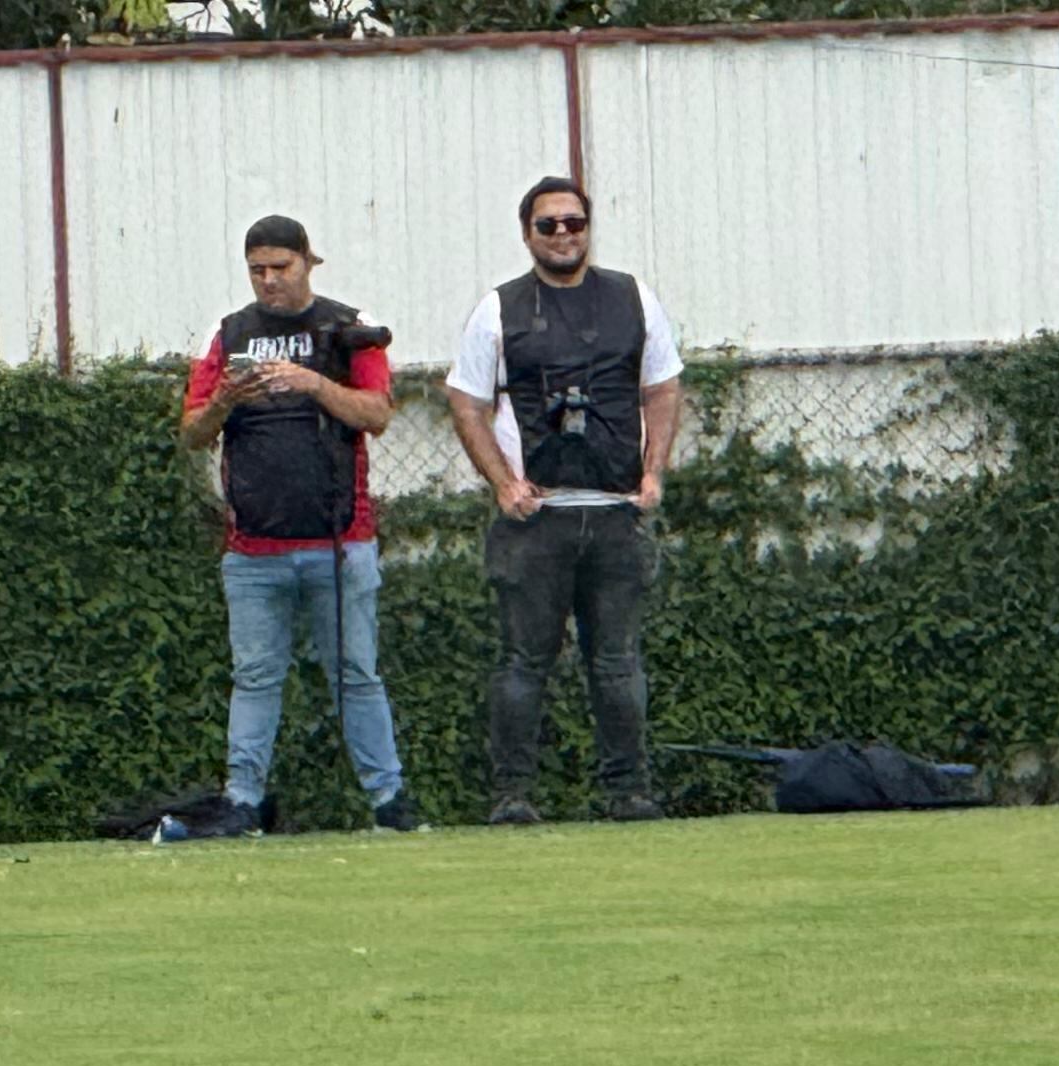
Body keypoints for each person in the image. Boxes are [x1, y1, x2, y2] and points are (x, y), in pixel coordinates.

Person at [446, 177, 684, 827]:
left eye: (573, 223)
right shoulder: (498, 310)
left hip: (615, 513)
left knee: (617, 663)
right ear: (527, 234)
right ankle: (513, 794)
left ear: (588, 228)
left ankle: (628, 792)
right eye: (547, 225)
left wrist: (653, 473)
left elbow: (662, 386)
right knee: (523, 663)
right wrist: (502, 483)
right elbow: (465, 400)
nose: (562, 235)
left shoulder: (633, 299)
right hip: (536, 519)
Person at [183, 216, 418, 834]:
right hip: (253, 548)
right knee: (255, 677)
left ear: (310, 263)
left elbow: (378, 413)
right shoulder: (229, 334)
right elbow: (191, 434)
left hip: (340, 541)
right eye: (257, 270)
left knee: (357, 675)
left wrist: (311, 382)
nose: (268, 282)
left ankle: (389, 800)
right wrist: (229, 399)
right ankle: (241, 800)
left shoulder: (346, 327)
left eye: (280, 269)